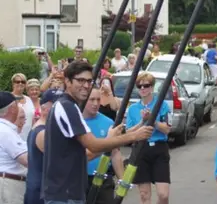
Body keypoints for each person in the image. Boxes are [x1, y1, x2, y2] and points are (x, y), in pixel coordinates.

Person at [42, 60, 154, 204]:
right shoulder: (67, 107)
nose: (86, 85)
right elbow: (93, 145)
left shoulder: (70, 106)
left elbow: (85, 151)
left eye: (89, 81)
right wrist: (134, 136)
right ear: (68, 81)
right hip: (64, 193)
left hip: (68, 191)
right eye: (80, 80)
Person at [125, 72, 172, 204]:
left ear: (152, 87)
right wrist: (142, 122)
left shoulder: (162, 105)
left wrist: (153, 121)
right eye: (139, 86)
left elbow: (168, 128)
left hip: (159, 148)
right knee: (144, 195)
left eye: (146, 85)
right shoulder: (133, 108)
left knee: (163, 194)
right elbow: (128, 132)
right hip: (141, 149)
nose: (143, 89)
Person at [85, 87, 125, 204]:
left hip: (103, 178)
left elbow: (115, 153)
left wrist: (122, 179)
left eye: (98, 99)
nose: (95, 103)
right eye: (91, 100)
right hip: (79, 179)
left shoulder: (108, 122)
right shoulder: (75, 121)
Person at [25, 89, 64, 204]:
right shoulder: (43, 133)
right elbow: (66, 161)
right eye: (57, 105)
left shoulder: (46, 129)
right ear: (44, 108)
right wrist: (105, 144)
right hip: (40, 194)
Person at [0, 92, 28, 203]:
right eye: (17, 104)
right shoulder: (5, 131)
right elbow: (26, 159)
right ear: (12, 108)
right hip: (8, 185)